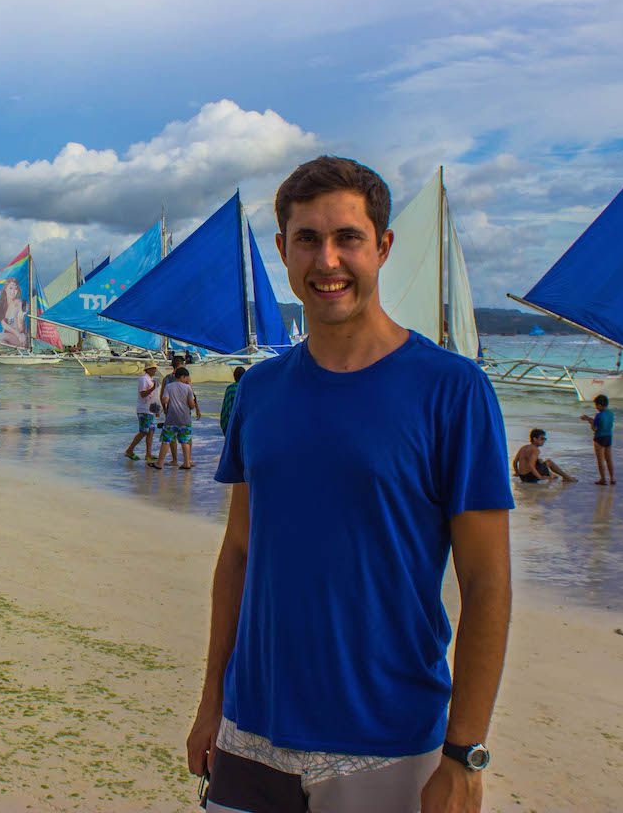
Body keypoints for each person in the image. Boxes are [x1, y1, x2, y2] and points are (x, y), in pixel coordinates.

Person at [188, 156, 512, 813]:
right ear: (282, 250)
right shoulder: (258, 391)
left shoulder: (453, 391)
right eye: (307, 239)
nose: (326, 260)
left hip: (388, 742)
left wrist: (465, 754)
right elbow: (240, 553)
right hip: (251, 732)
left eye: (348, 239)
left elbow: (487, 584)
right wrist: (211, 702)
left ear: (383, 247)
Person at [156, 366, 202, 469]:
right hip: (185, 419)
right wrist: (193, 406)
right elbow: (191, 405)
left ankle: (159, 463)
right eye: (186, 378)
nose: (187, 380)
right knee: (185, 441)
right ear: (182, 376)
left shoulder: (169, 387)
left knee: (166, 440)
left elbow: (164, 400)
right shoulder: (188, 388)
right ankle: (186, 463)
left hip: (171, 419)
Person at [124, 361, 160, 462]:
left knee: (151, 431)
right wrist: (153, 388)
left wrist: (156, 410)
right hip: (143, 410)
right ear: (147, 369)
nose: (154, 370)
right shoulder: (143, 379)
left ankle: (148, 454)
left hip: (149, 410)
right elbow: (143, 394)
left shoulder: (151, 379)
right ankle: (129, 450)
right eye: (153, 368)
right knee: (144, 431)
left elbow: (154, 397)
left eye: (155, 368)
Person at [580, 394, 615, 485]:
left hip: (599, 437)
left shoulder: (598, 415)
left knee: (600, 460)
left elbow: (595, 428)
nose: (596, 407)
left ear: (599, 405)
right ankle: (612, 478)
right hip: (608, 437)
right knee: (609, 459)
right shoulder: (611, 414)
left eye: (596, 405)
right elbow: (604, 424)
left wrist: (589, 422)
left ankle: (603, 479)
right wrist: (589, 419)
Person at [0, 277, 29, 349]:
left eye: (15, 289)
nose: (13, 291)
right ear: (5, 289)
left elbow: (21, 329)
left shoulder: (19, 303)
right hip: (12, 338)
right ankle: (8, 353)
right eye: (10, 288)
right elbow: (4, 326)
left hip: (21, 339)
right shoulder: (3, 305)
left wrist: (21, 322)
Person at [219, 366, 245, 434]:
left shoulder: (230, 388)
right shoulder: (247, 388)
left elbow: (226, 408)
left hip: (231, 423)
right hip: (244, 424)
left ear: (234, 376)